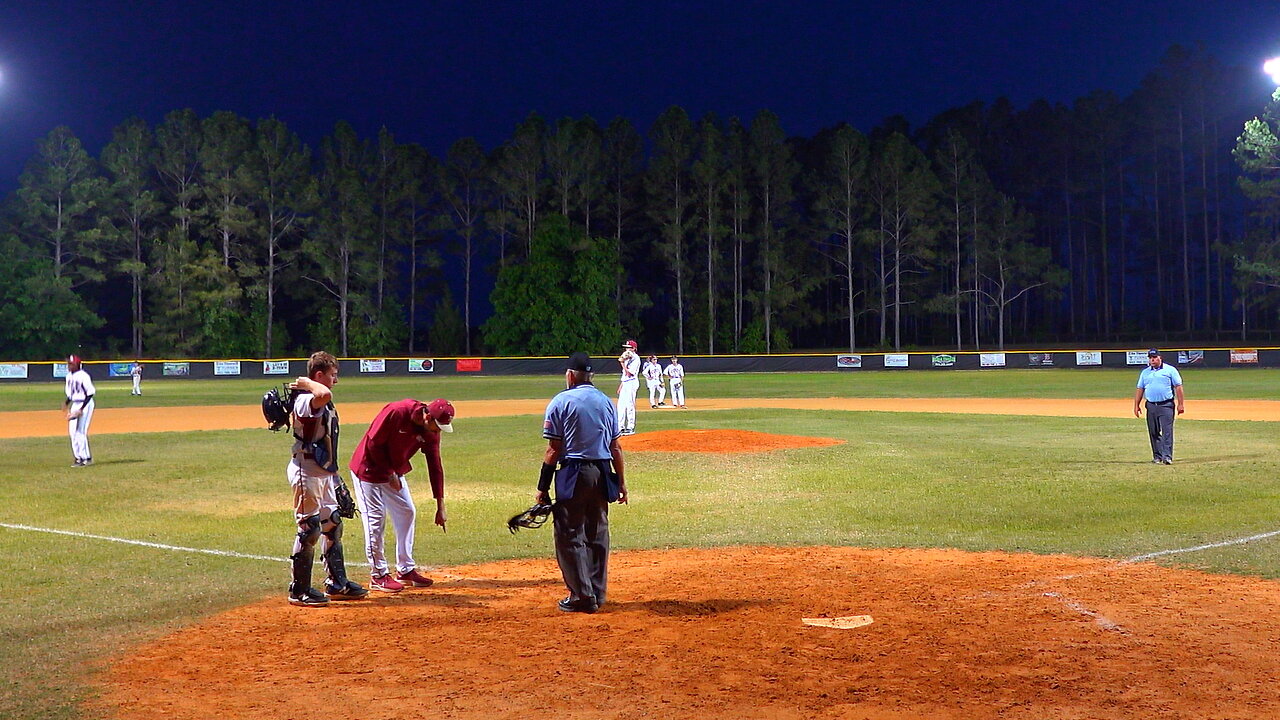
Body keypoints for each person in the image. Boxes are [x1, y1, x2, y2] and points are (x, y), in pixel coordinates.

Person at [536, 352, 627, 613]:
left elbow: (554, 449)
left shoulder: (561, 401)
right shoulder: (606, 402)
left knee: (569, 533)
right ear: (591, 376)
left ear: (570, 375)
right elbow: (616, 447)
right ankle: (597, 593)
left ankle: (581, 596)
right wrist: (621, 483)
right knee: (598, 533)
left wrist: (542, 487)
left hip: (574, 473)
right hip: (602, 472)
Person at [285, 351, 368, 606]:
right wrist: (307, 382)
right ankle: (299, 590)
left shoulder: (319, 400)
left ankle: (336, 583)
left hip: (323, 472)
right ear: (318, 376)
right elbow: (323, 394)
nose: (336, 380)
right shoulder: (305, 400)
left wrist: (334, 474)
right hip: (305, 470)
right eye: (332, 375)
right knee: (310, 529)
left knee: (332, 524)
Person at [349, 398, 455, 593]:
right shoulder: (397, 411)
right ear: (427, 416)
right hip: (368, 469)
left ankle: (405, 570)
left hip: (392, 471)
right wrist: (390, 473)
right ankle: (378, 575)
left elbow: (435, 465)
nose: (438, 431)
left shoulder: (431, 430)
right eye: (437, 426)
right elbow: (373, 444)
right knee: (375, 521)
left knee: (407, 512)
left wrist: (441, 504)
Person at [1133, 348, 1185, 465]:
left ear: (1160, 358)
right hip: (1151, 405)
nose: (1152, 360)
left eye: (1155, 357)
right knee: (1153, 431)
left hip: (1166, 405)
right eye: (1150, 358)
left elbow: (1178, 387)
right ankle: (1157, 456)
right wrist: (1136, 405)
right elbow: (1140, 388)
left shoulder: (1170, 370)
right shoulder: (1145, 372)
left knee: (1167, 431)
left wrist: (1181, 404)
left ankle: (1167, 456)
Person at [64, 355, 95, 467]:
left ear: (77, 364)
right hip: (75, 404)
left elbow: (90, 393)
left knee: (80, 431)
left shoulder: (84, 376)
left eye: (71, 364)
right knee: (73, 432)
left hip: (85, 404)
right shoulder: (68, 376)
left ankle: (85, 458)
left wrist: (81, 409)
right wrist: (66, 403)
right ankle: (78, 457)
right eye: (68, 364)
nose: (68, 366)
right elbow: (71, 394)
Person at [616, 339, 640, 435]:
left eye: (629, 348)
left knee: (630, 405)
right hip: (625, 383)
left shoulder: (636, 359)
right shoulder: (627, 358)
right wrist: (621, 385)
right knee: (621, 405)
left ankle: (630, 427)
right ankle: (620, 427)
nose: (626, 350)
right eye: (626, 348)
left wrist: (622, 363)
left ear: (634, 348)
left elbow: (629, 373)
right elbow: (624, 376)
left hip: (632, 382)